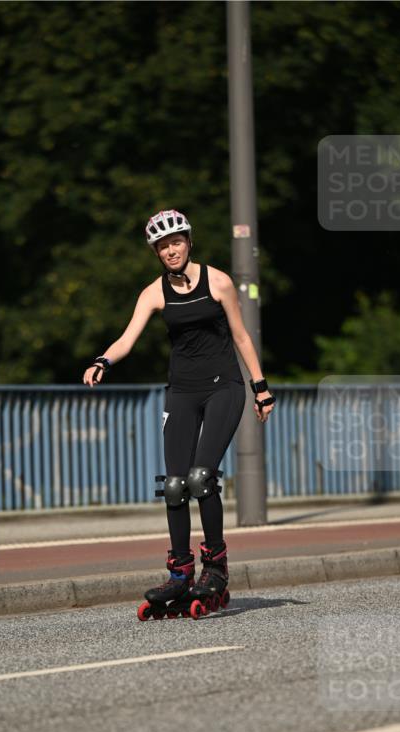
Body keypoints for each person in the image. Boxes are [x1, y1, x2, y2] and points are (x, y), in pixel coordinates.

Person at [82, 208, 275, 619]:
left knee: (201, 477)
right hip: (182, 391)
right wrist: (102, 361)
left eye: (176, 242)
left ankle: (216, 566)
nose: (171, 250)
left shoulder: (218, 281)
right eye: (163, 246)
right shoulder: (154, 293)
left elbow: (241, 336)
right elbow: (127, 339)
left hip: (224, 386)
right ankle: (180, 573)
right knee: (174, 485)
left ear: (188, 242)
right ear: (156, 252)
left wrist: (260, 387)